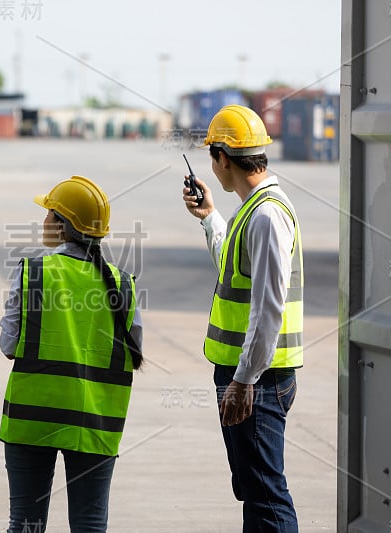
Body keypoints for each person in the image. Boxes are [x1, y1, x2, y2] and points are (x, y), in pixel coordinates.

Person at [0, 176, 143, 533]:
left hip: (32, 421)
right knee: (90, 525)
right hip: (96, 424)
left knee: (26, 524)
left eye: (49, 214)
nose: (43, 221)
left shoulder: (34, 273)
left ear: (63, 227)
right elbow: (132, 349)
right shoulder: (122, 283)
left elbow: (8, 345)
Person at [181, 105, 303, 532]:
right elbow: (236, 273)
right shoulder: (253, 209)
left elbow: (268, 306)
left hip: (258, 380)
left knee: (267, 496)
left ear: (223, 159)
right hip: (251, 376)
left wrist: (243, 380)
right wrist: (209, 218)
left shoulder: (267, 215)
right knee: (255, 491)